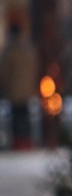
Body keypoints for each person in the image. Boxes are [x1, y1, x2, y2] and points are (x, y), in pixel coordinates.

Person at [0, 14, 39, 150]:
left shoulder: (10, 51)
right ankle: (26, 142)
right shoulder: (28, 49)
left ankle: (18, 143)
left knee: (16, 119)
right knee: (25, 118)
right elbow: (35, 68)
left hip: (14, 91)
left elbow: (4, 71)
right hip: (26, 90)